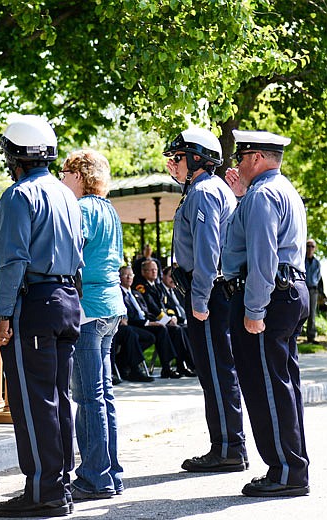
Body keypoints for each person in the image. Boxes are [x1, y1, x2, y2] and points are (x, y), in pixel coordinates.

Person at [0, 115, 83, 518]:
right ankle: (57, 483)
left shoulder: (17, 196)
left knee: (33, 402)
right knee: (59, 398)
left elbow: (13, 262)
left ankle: (44, 490)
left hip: (34, 301)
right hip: (66, 299)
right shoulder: (65, 194)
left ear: (15, 157)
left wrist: (2, 314)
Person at [222, 129, 310, 497]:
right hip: (289, 290)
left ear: (256, 158)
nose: (237, 165)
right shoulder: (279, 189)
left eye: (241, 157)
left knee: (267, 389)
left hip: (269, 296)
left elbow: (262, 257)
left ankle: (286, 472)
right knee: (283, 385)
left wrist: (254, 308)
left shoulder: (261, 195)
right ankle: (291, 466)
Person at [164, 127, 247, 474]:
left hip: (210, 295)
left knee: (216, 371)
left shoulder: (204, 193)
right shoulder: (201, 189)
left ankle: (228, 448)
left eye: (179, 157)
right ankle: (226, 445)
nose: (173, 163)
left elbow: (207, 251)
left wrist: (199, 299)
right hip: (210, 293)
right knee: (215, 371)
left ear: (197, 158)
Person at [59, 149, 127, 501]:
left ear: (80, 175)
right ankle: (110, 472)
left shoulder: (81, 209)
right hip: (111, 306)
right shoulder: (109, 210)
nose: (61, 178)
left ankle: (94, 477)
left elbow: (71, 254)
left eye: (66, 172)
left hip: (88, 309)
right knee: (104, 396)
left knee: (88, 398)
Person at [119, 266, 180, 378]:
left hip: (144, 323)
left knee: (162, 329)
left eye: (131, 275)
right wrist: (147, 323)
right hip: (133, 324)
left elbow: (146, 312)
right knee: (148, 336)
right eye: (125, 275)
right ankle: (130, 366)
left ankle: (167, 367)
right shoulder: (119, 294)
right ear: (119, 278)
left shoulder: (136, 293)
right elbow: (128, 317)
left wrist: (158, 321)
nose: (129, 277)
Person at [304, 239, 322, 343]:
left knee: (312, 314)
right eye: (308, 246)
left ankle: (311, 337)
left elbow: (318, 278)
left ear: (315, 249)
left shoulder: (317, 263)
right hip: (302, 289)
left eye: (312, 246)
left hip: (313, 291)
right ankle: (295, 335)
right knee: (299, 313)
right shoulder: (301, 260)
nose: (310, 248)